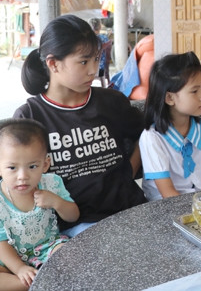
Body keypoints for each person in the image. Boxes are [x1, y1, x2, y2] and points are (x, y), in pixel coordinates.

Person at [14, 15, 146, 237]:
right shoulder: (30, 117)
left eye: (96, 59)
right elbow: (18, 179)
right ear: (53, 63)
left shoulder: (111, 102)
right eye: (84, 62)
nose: (93, 70)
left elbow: (145, 136)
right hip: (77, 227)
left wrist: (127, 172)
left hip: (132, 210)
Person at [0, 119, 79, 291]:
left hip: (49, 248)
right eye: (12, 168)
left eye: (32, 166)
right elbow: (0, 245)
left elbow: (73, 215)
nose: (22, 176)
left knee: (72, 254)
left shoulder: (51, 183)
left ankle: (41, 283)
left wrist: (57, 202)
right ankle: (43, 284)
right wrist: (20, 269)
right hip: (10, 260)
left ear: (45, 164)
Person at [139, 52, 201, 201]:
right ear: (170, 98)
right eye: (194, 91)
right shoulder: (152, 138)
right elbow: (168, 194)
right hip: (166, 209)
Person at [88, 18, 110, 87]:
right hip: (102, 69)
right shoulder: (105, 38)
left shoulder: (87, 39)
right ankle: (104, 85)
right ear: (100, 27)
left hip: (89, 69)